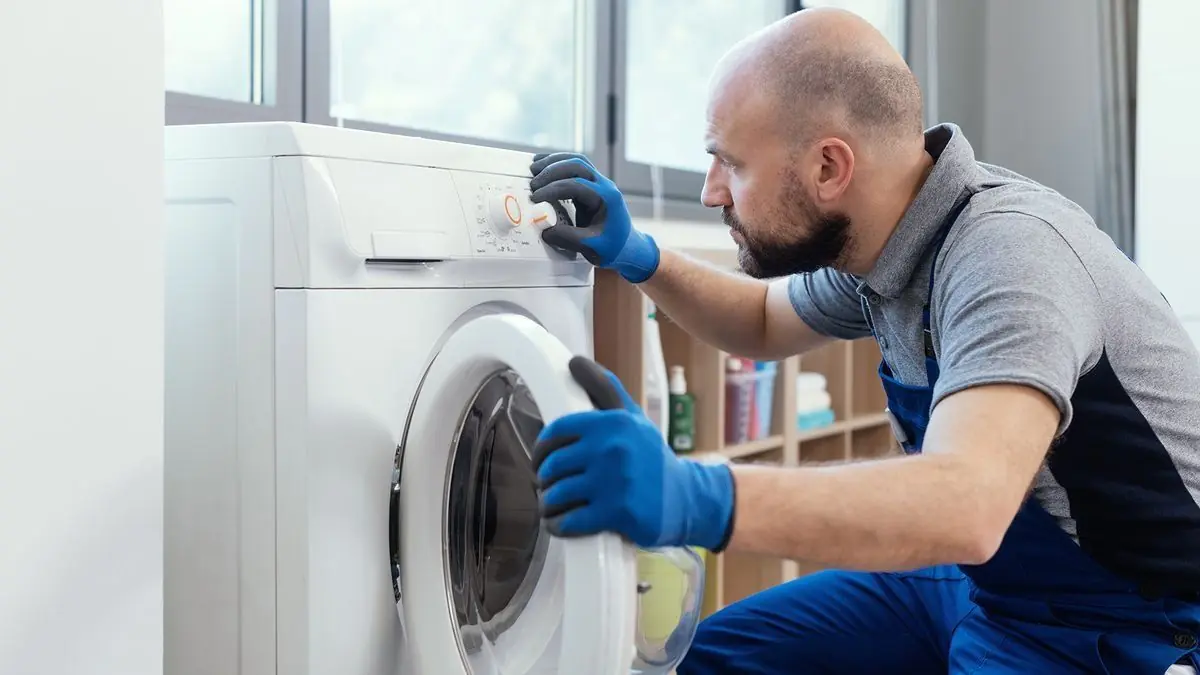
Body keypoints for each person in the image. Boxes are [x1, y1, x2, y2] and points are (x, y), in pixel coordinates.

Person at [524, 6, 1200, 674]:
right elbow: (760, 318)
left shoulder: (1010, 256)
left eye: (730, 163)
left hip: (1132, 623)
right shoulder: (888, 241)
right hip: (982, 581)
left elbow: (966, 501)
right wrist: (640, 256)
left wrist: (696, 495)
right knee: (704, 660)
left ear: (828, 168)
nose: (710, 193)